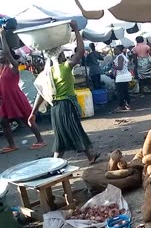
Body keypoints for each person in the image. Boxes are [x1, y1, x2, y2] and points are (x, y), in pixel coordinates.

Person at [28, 21, 99, 163]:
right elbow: (80, 52)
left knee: (63, 133)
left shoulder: (46, 74)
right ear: (59, 56)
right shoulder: (65, 68)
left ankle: (88, 156)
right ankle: (62, 161)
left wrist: (33, 112)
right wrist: (76, 29)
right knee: (73, 130)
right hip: (66, 105)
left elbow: (41, 94)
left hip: (55, 108)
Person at [0, 28, 45, 153]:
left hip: (16, 97)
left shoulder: (12, 67)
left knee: (27, 119)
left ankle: (40, 140)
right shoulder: (2, 69)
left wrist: (2, 35)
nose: (0, 55)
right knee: (3, 121)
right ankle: (12, 144)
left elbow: (7, 52)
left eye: (1, 55)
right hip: (6, 99)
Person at [113, 45, 132, 111]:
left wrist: (114, 66)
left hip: (121, 77)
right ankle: (127, 104)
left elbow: (120, 67)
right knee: (125, 91)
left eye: (115, 49)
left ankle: (121, 106)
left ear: (119, 50)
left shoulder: (120, 57)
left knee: (120, 92)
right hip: (125, 76)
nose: (114, 51)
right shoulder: (123, 56)